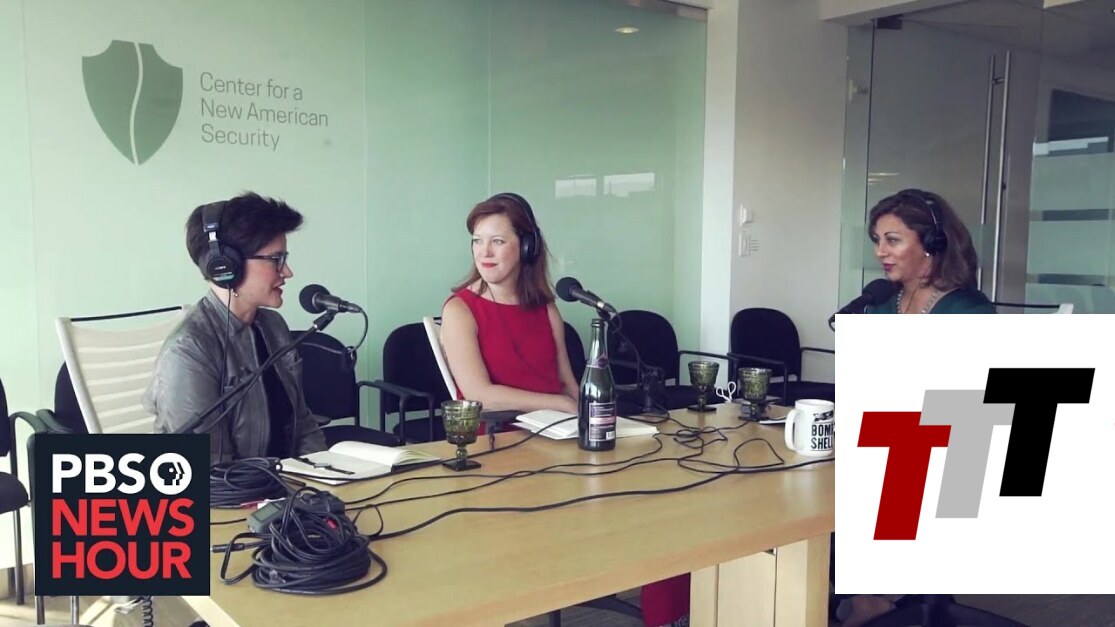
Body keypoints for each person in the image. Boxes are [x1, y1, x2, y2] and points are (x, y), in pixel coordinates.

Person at [440, 192, 689, 627]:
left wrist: (593, 415)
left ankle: (669, 616)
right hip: (500, 451)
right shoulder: (460, 309)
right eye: (478, 241)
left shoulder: (547, 308)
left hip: (560, 438)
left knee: (662, 497)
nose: (485, 252)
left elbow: (570, 385)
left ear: (527, 246)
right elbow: (479, 394)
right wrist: (557, 403)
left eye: (498, 240)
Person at [143, 192, 327, 465]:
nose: (287, 271)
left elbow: (303, 425)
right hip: (235, 489)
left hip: (287, 480)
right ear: (227, 266)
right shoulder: (188, 351)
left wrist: (323, 475)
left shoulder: (273, 326)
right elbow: (212, 470)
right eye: (276, 259)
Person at [865, 188, 997, 315]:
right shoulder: (881, 308)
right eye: (877, 240)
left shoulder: (970, 309)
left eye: (892, 240)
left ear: (930, 242)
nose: (879, 252)